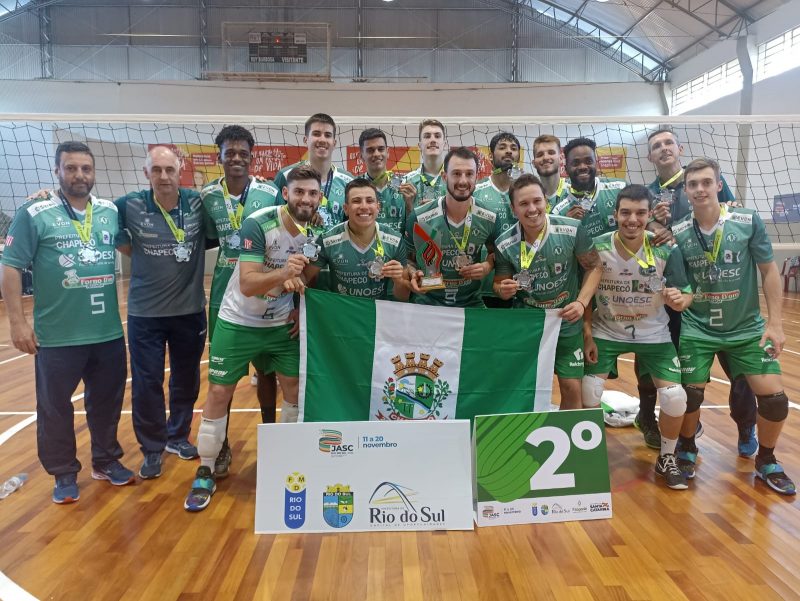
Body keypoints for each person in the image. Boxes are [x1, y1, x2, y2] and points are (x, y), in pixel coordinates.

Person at [1, 141, 133, 503]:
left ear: (94, 173)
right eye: (71, 168)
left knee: (106, 402)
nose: (79, 175)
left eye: (85, 169)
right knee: (55, 407)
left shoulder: (108, 211)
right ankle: (63, 473)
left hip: (106, 331)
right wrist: (17, 322)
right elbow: (10, 265)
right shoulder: (35, 211)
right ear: (57, 171)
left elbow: (132, 247)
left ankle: (105, 461)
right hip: (57, 335)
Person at [183, 166, 322, 512]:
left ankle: (288, 460)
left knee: (292, 388)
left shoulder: (316, 228)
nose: (305, 199)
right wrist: (285, 273)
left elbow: (311, 275)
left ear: (319, 198)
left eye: (312, 193)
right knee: (218, 392)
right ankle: (205, 467)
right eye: (299, 192)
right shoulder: (258, 223)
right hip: (239, 321)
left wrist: (298, 299)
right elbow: (247, 282)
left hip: (279, 326)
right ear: (286, 194)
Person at [672, 158, 795, 495]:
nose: (699, 189)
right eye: (693, 184)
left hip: (746, 328)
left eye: (706, 182)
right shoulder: (680, 231)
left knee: (775, 400)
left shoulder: (747, 220)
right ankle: (686, 447)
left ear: (718, 184)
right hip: (699, 326)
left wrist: (776, 324)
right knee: (689, 395)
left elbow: (770, 270)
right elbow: (680, 283)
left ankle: (767, 459)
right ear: (685, 189)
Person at [640, 128, 758, 456]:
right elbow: (641, 230)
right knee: (684, 376)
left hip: (724, 291)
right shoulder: (648, 193)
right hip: (681, 297)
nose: (663, 149)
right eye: (656, 146)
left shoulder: (701, 178)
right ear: (650, 156)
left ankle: (747, 424)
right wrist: (653, 223)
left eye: (668, 143)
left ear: (679, 148)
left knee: (740, 373)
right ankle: (678, 434)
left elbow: (728, 214)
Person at [583, 184, 693, 490]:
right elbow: (586, 295)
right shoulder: (597, 246)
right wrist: (588, 333)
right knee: (589, 391)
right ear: (615, 214)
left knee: (675, 397)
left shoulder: (665, 248)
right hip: (607, 329)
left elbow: (685, 295)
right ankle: (591, 453)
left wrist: (678, 299)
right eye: (626, 212)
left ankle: (667, 458)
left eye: (640, 213)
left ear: (649, 215)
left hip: (653, 332)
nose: (633, 219)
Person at [116, 145, 213, 480]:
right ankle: (152, 448)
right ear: (147, 173)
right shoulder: (128, 205)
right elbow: (90, 213)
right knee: (146, 382)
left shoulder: (198, 203)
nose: (163, 176)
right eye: (156, 170)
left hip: (189, 311)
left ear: (180, 170)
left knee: (186, 380)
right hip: (146, 314)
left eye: (169, 169)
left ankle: (177, 436)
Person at [200, 125, 281, 478]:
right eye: (229, 152)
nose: (236, 158)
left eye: (242, 152)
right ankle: (221, 446)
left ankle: (270, 438)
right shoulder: (206, 197)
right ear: (219, 155)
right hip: (223, 298)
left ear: (252, 155)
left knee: (267, 372)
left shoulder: (271, 191)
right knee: (225, 379)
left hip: (264, 293)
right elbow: (201, 241)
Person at [493, 174, 601, 409]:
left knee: (572, 388)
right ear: (513, 209)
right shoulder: (504, 243)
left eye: (537, 201)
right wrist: (504, 289)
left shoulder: (571, 229)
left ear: (546, 202)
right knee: (524, 387)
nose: (532, 209)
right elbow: (499, 283)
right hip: (527, 324)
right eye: (523, 204)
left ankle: (566, 443)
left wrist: (582, 303)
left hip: (566, 320)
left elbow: (595, 266)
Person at [406, 147, 499, 308]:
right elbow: (407, 260)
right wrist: (413, 273)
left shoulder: (489, 217)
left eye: (469, 174)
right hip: (429, 302)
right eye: (456, 173)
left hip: (471, 303)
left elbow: (496, 255)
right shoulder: (419, 217)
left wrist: (487, 266)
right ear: (444, 177)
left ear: (477, 178)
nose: (463, 181)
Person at [304, 179, 410, 300]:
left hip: (377, 313)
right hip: (342, 312)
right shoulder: (327, 240)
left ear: (378, 207)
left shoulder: (395, 240)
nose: (364, 206)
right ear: (346, 209)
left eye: (369, 201)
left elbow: (403, 297)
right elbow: (304, 278)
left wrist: (398, 281)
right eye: (356, 201)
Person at [273, 113, 352, 230]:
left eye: (328, 135)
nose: (322, 139)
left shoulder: (348, 181)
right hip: (295, 246)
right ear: (306, 140)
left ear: (334, 143)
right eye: (316, 134)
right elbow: (274, 217)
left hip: (335, 247)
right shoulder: (285, 175)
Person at [474, 132, 522, 308]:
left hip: (519, 280)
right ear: (491, 155)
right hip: (483, 282)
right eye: (502, 147)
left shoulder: (526, 190)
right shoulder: (476, 190)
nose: (508, 151)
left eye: (513, 148)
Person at [550, 137, 626, 238]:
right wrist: (566, 226)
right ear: (566, 168)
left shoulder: (621, 189)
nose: (583, 167)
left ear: (596, 163)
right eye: (575, 163)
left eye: (588, 161)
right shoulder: (558, 212)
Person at [357, 128, 407, 235]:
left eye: (381, 149)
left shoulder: (404, 185)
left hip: (398, 250)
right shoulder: (355, 187)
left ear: (387, 152)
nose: (376, 154)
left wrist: (411, 205)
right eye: (370, 150)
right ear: (361, 155)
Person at [399, 119, 448, 211]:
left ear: (444, 144)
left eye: (437, 136)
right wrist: (411, 208)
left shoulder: (454, 179)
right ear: (419, 145)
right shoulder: (406, 181)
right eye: (427, 136)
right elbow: (402, 223)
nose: (433, 140)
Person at [531, 134, 568, 209]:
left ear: (561, 158)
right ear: (534, 163)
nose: (545, 157)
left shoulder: (573, 190)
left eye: (551, 152)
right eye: (540, 154)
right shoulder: (530, 196)